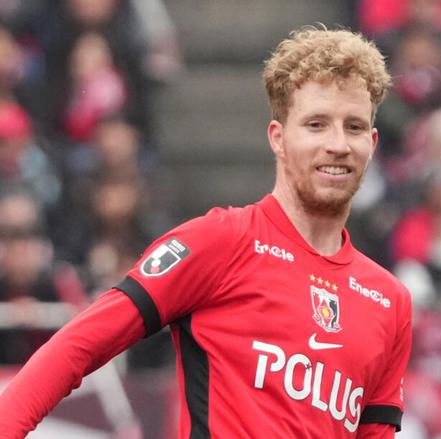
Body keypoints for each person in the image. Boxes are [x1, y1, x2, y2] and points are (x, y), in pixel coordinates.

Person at [0, 25, 413, 438]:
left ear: (373, 143)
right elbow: (78, 345)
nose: (338, 144)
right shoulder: (220, 241)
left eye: (354, 127)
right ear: (278, 138)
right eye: (317, 124)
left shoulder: (389, 301)